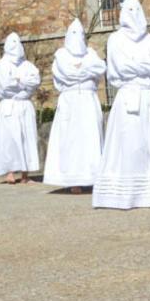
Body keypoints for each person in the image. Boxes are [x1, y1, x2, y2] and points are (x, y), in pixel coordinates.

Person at [92, 0, 150, 210]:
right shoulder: (116, 39)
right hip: (130, 95)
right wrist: (146, 64)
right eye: (129, 9)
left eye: (136, 9)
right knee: (132, 144)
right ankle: (130, 194)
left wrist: (138, 64)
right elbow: (120, 67)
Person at [44, 19, 107, 192]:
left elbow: (100, 67)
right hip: (70, 101)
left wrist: (81, 69)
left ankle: (94, 176)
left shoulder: (91, 53)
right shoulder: (61, 55)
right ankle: (73, 180)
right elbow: (66, 73)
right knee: (71, 140)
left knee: (90, 137)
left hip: (88, 98)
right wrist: (85, 70)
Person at [0, 32, 41, 184]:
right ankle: (10, 172)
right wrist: (23, 83)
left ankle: (25, 173)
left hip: (24, 104)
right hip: (9, 105)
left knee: (27, 138)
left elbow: (35, 81)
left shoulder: (27, 65)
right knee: (9, 140)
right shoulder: (2, 64)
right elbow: (6, 85)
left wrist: (19, 81)